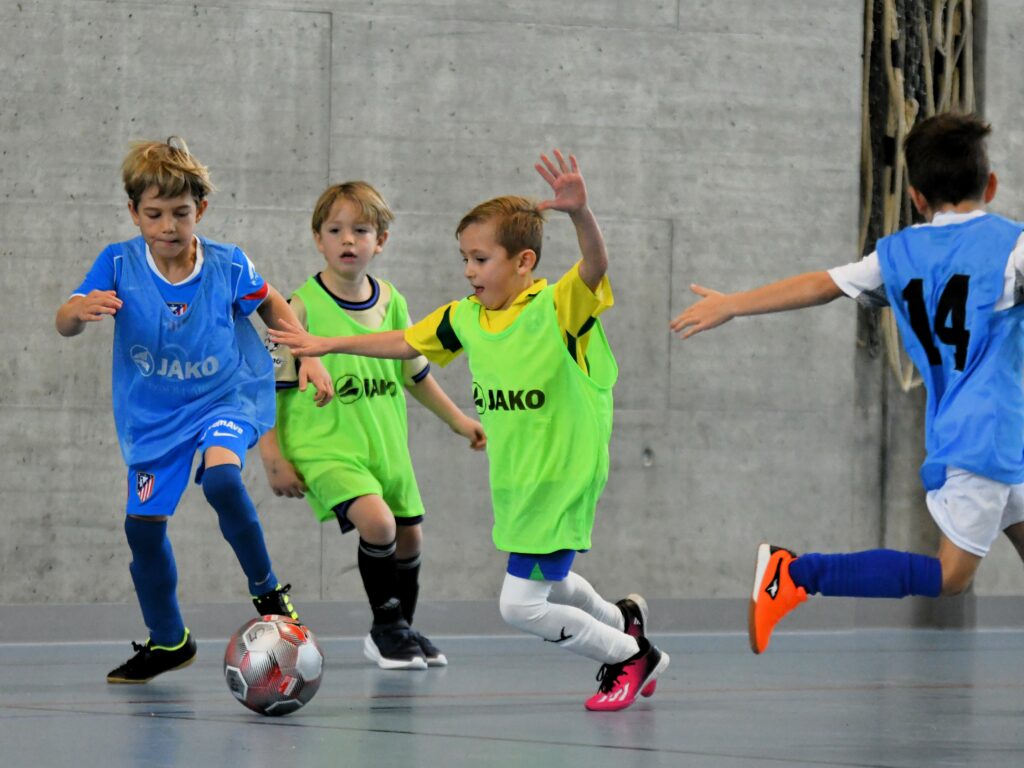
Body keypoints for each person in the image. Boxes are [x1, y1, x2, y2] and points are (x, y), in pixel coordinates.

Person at [269, 150, 669, 711]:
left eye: (480, 259)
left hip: (562, 475)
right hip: (518, 479)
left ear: (524, 261)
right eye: (465, 259)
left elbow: (595, 267)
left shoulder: (558, 307)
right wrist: (327, 343)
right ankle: (623, 619)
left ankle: (628, 654)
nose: (468, 271)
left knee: (520, 605)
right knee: (552, 580)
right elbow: (403, 342)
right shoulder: (467, 317)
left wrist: (581, 214)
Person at [671, 112, 1024, 654]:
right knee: (951, 576)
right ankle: (795, 573)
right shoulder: (1011, 246)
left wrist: (734, 303)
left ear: (915, 197)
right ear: (991, 184)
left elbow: (822, 284)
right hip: (988, 435)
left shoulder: (898, 255)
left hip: (979, 431)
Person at [55, 137, 334, 683]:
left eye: (180, 213)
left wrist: (309, 356)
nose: (168, 226)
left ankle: (268, 593)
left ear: (199, 210)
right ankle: (169, 641)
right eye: (154, 214)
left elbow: (271, 302)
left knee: (222, 478)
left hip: (225, 397)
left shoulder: (227, 263)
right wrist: (78, 311)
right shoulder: (118, 262)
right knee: (142, 531)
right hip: (154, 418)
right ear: (134, 213)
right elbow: (64, 319)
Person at [259, 180, 486, 670]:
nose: (348, 239)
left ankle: (402, 626)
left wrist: (459, 420)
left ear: (380, 240)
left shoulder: (393, 302)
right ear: (318, 239)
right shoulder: (299, 307)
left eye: (360, 230)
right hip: (325, 446)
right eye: (335, 230)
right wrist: (272, 456)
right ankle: (386, 630)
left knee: (410, 537)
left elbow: (415, 374)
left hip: (386, 448)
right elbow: (264, 384)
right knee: (378, 523)